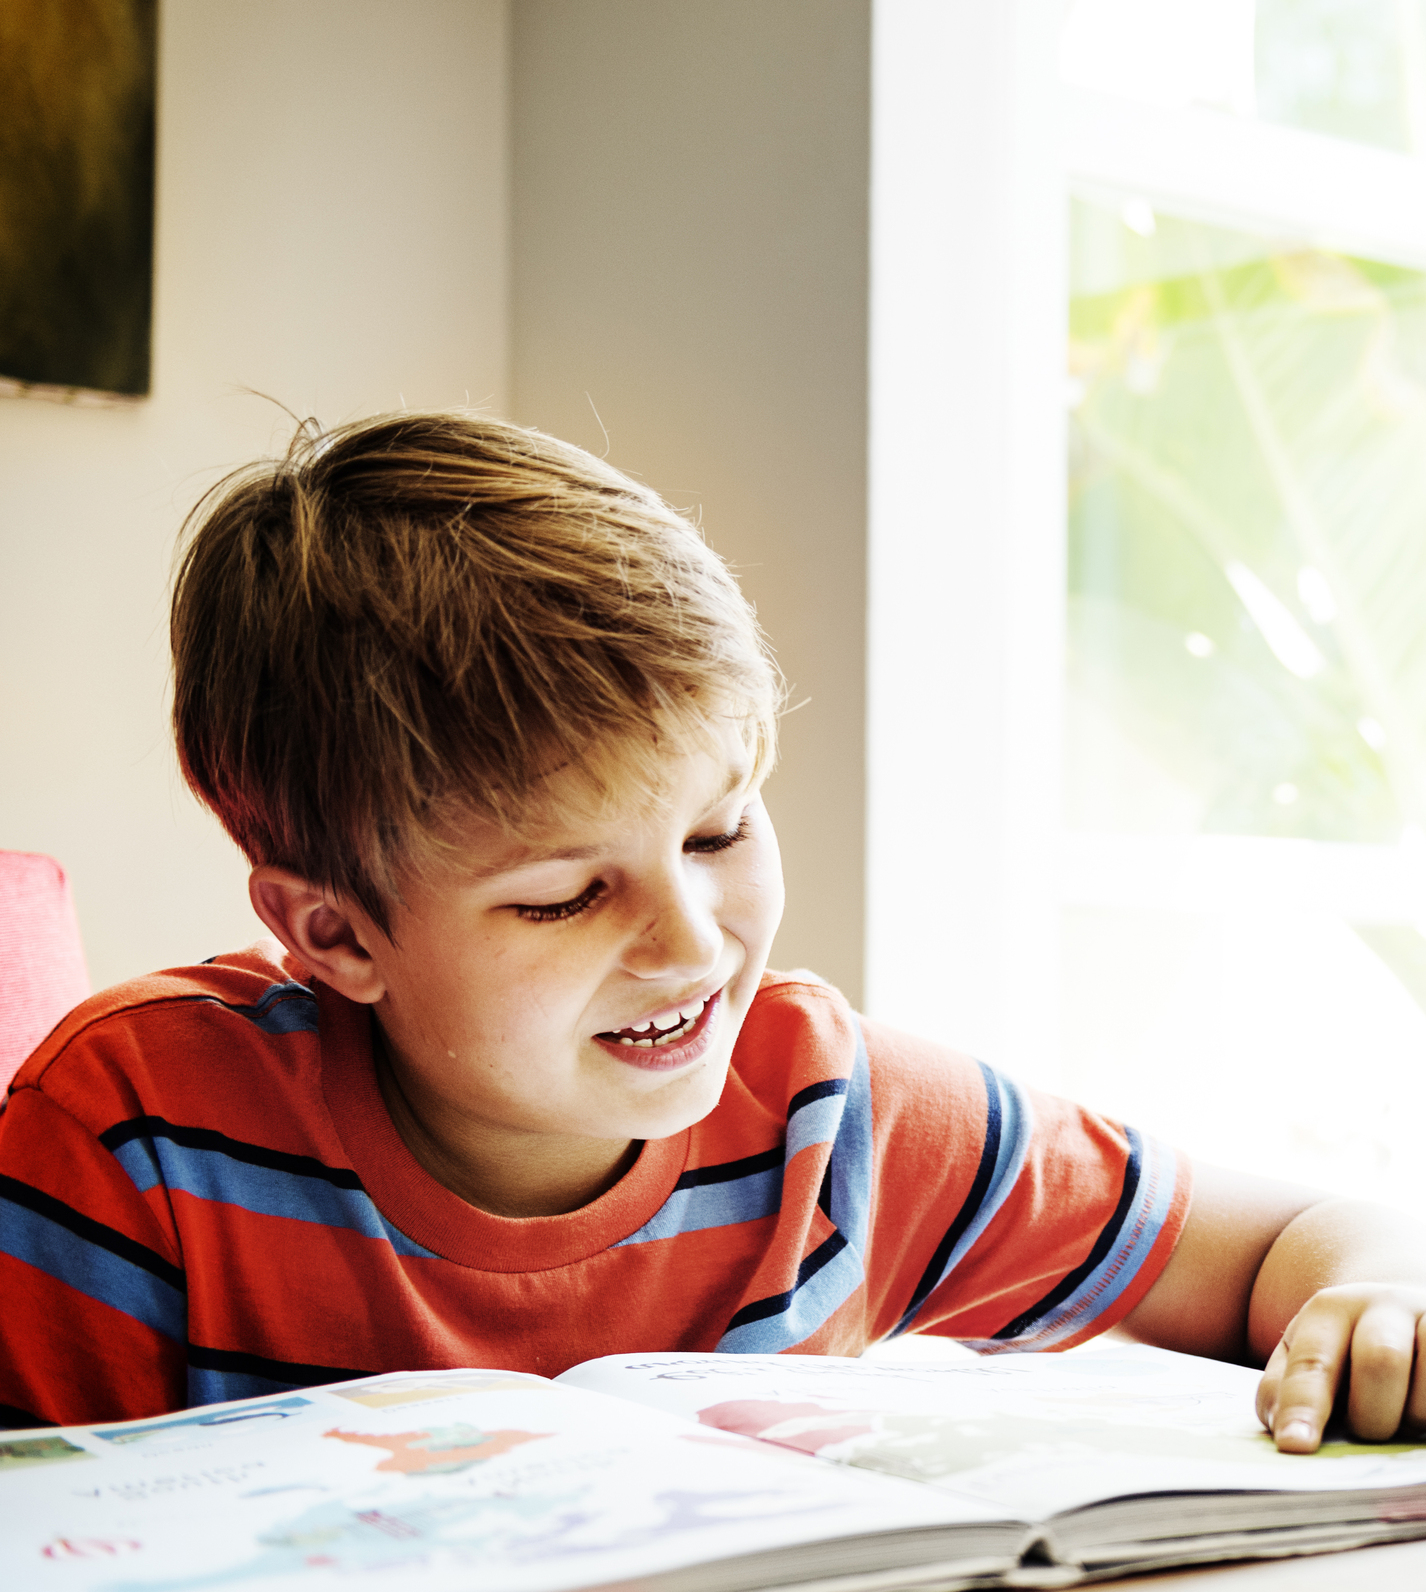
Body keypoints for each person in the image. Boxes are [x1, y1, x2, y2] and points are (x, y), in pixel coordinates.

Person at [2, 412, 1423, 1452]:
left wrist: (1374, 1297)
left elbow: (1285, 1238)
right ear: (335, 936)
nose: (690, 946)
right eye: (564, 895)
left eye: (719, 832)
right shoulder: (131, 1140)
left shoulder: (829, 1118)